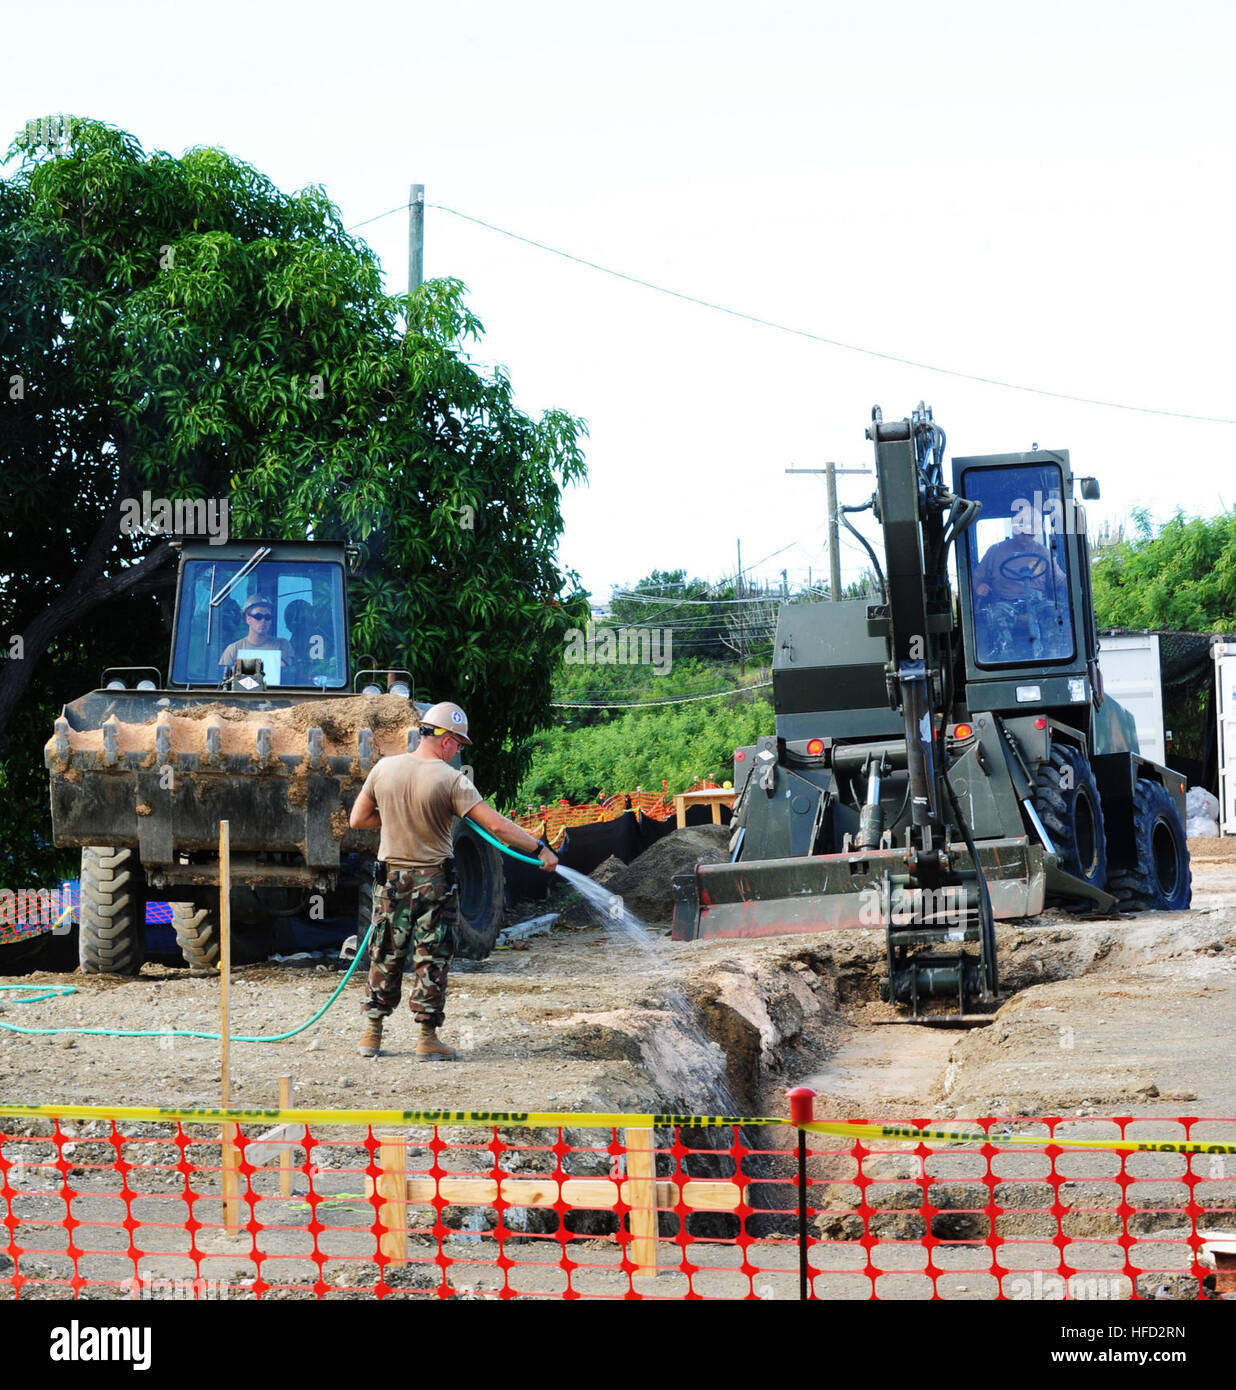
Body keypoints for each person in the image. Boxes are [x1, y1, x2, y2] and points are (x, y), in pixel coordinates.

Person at [348, 700, 559, 1061]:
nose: (457, 750)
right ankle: (427, 1039)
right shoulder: (451, 780)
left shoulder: (384, 769)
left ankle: (372, 1035)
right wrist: (540, 849)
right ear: (445, 740)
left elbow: (358, 819)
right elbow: (496, 826)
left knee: (384, 953)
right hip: (433, 883)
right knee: (431, 957)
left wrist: (399, 820)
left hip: (391, 881)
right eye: (458, 744)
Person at [972, 510, 1070, 659]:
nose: (1026, 538)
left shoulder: (1043, 552)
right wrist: (979, 586)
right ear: (1015, 529)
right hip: (1005, 602)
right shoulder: (995, 552)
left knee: (1054, 614)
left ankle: (1053, 659)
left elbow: (1059, 578)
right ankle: (1005, 659)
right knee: (996, 618)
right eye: (1022, 533)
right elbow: (977, 577)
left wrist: (1075, 583)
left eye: (1030, 535)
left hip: (1037, 601)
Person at [219, 596, 296, 680]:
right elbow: (224, 680)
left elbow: (285, 674)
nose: (263, 620)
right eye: (258, 616)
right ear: (248, 619)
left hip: (275, 693)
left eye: (267, 617)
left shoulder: (282, 645)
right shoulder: (233, 649)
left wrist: (239, 668)